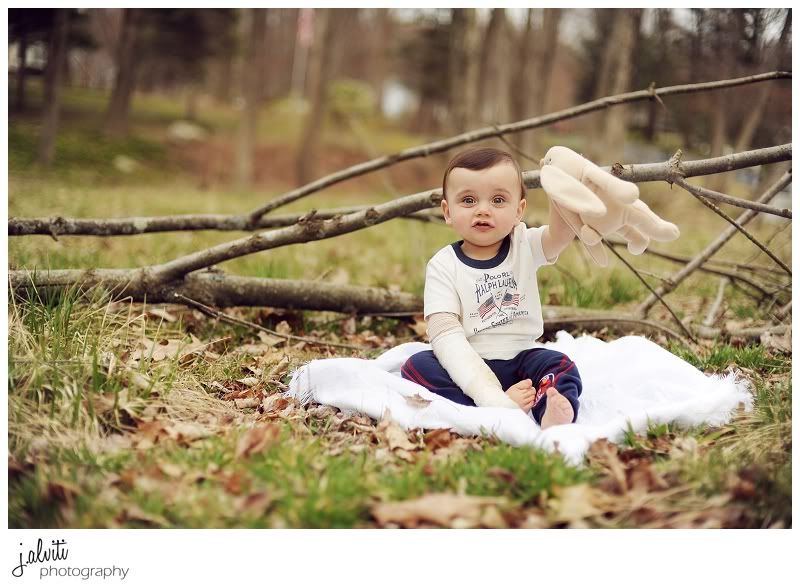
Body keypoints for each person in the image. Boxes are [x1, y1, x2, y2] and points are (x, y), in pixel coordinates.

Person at [400, 147, 581, 429]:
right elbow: (444, 334)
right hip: (469, 363)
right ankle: (485, 405)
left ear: (519, 210)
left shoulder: (524, 244)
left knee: (561, 365)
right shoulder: (443, 265)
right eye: (468, 200)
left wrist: (559, 189)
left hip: (522, 359)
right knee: (416, 367)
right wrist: (489, 394)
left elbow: (560, 235)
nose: (483, 210)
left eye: (498, 200)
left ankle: (551, 409)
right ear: (447, 212)